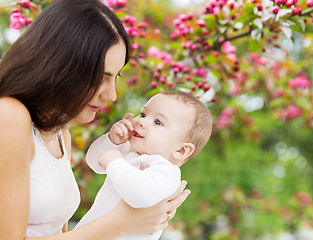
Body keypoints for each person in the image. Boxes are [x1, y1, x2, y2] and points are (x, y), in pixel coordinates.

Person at [0, 0, 190, 239]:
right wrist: (124, 221)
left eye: (116, 77)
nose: (111, 95)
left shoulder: (59, 133)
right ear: (60, 65)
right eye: (101, 77)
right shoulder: (8, 116)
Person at [75, 90, 212, 239]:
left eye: (158, 122)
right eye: (143, 114)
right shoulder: (129, 150)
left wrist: (114, 162)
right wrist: (111, 141)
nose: (141, 121)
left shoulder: (166, 171)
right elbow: (94, 162)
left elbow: (141, 196)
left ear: (181, 150)